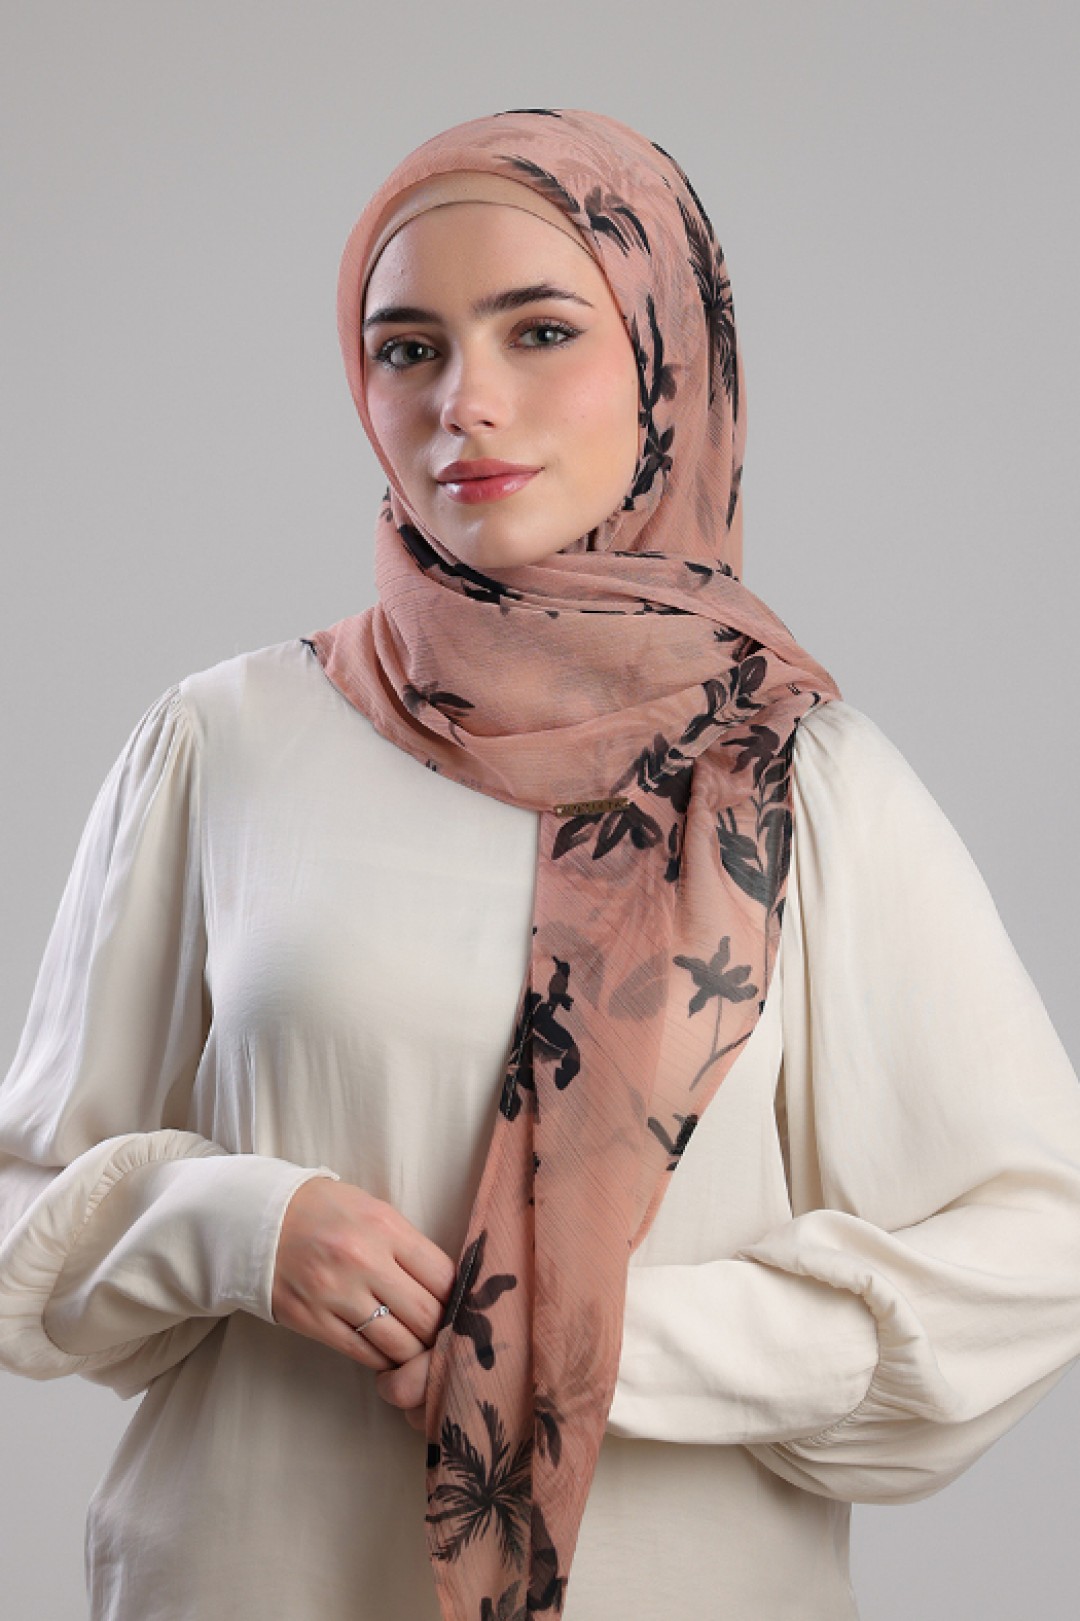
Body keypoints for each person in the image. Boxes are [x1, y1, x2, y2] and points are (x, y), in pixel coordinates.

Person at [1, 106, 1079, 1621]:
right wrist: (236, 1229)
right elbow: (22, 1210)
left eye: (542, 331)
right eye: (409, 348)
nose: (468, 402)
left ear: (665, 359)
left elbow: (1034, 1246)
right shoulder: (222, 742)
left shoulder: (800, 784)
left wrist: (592, 1348)